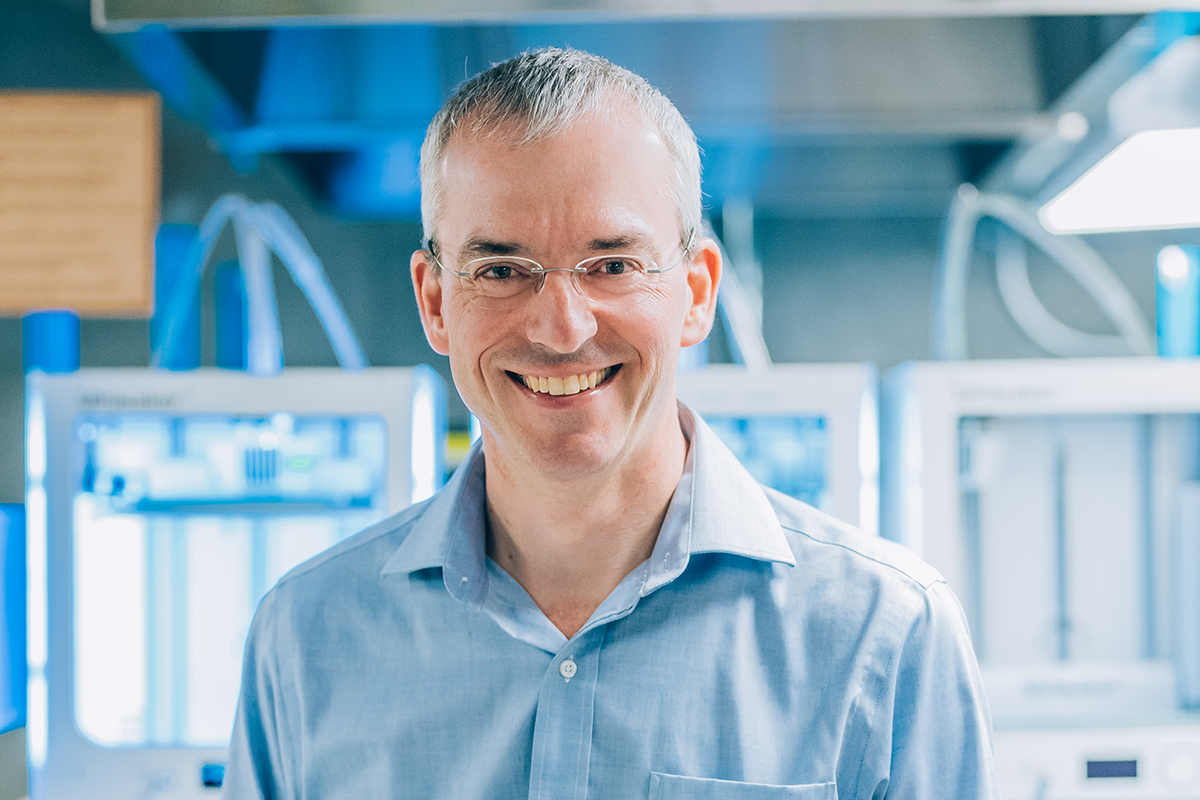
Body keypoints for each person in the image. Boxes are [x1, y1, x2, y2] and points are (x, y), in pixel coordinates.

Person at [224, 48, 998, 799]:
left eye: (613, 265)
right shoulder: (305, 639)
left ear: (696, 292)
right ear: (434, 302)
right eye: (500, 270)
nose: (562, 328)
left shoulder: (885, 637)